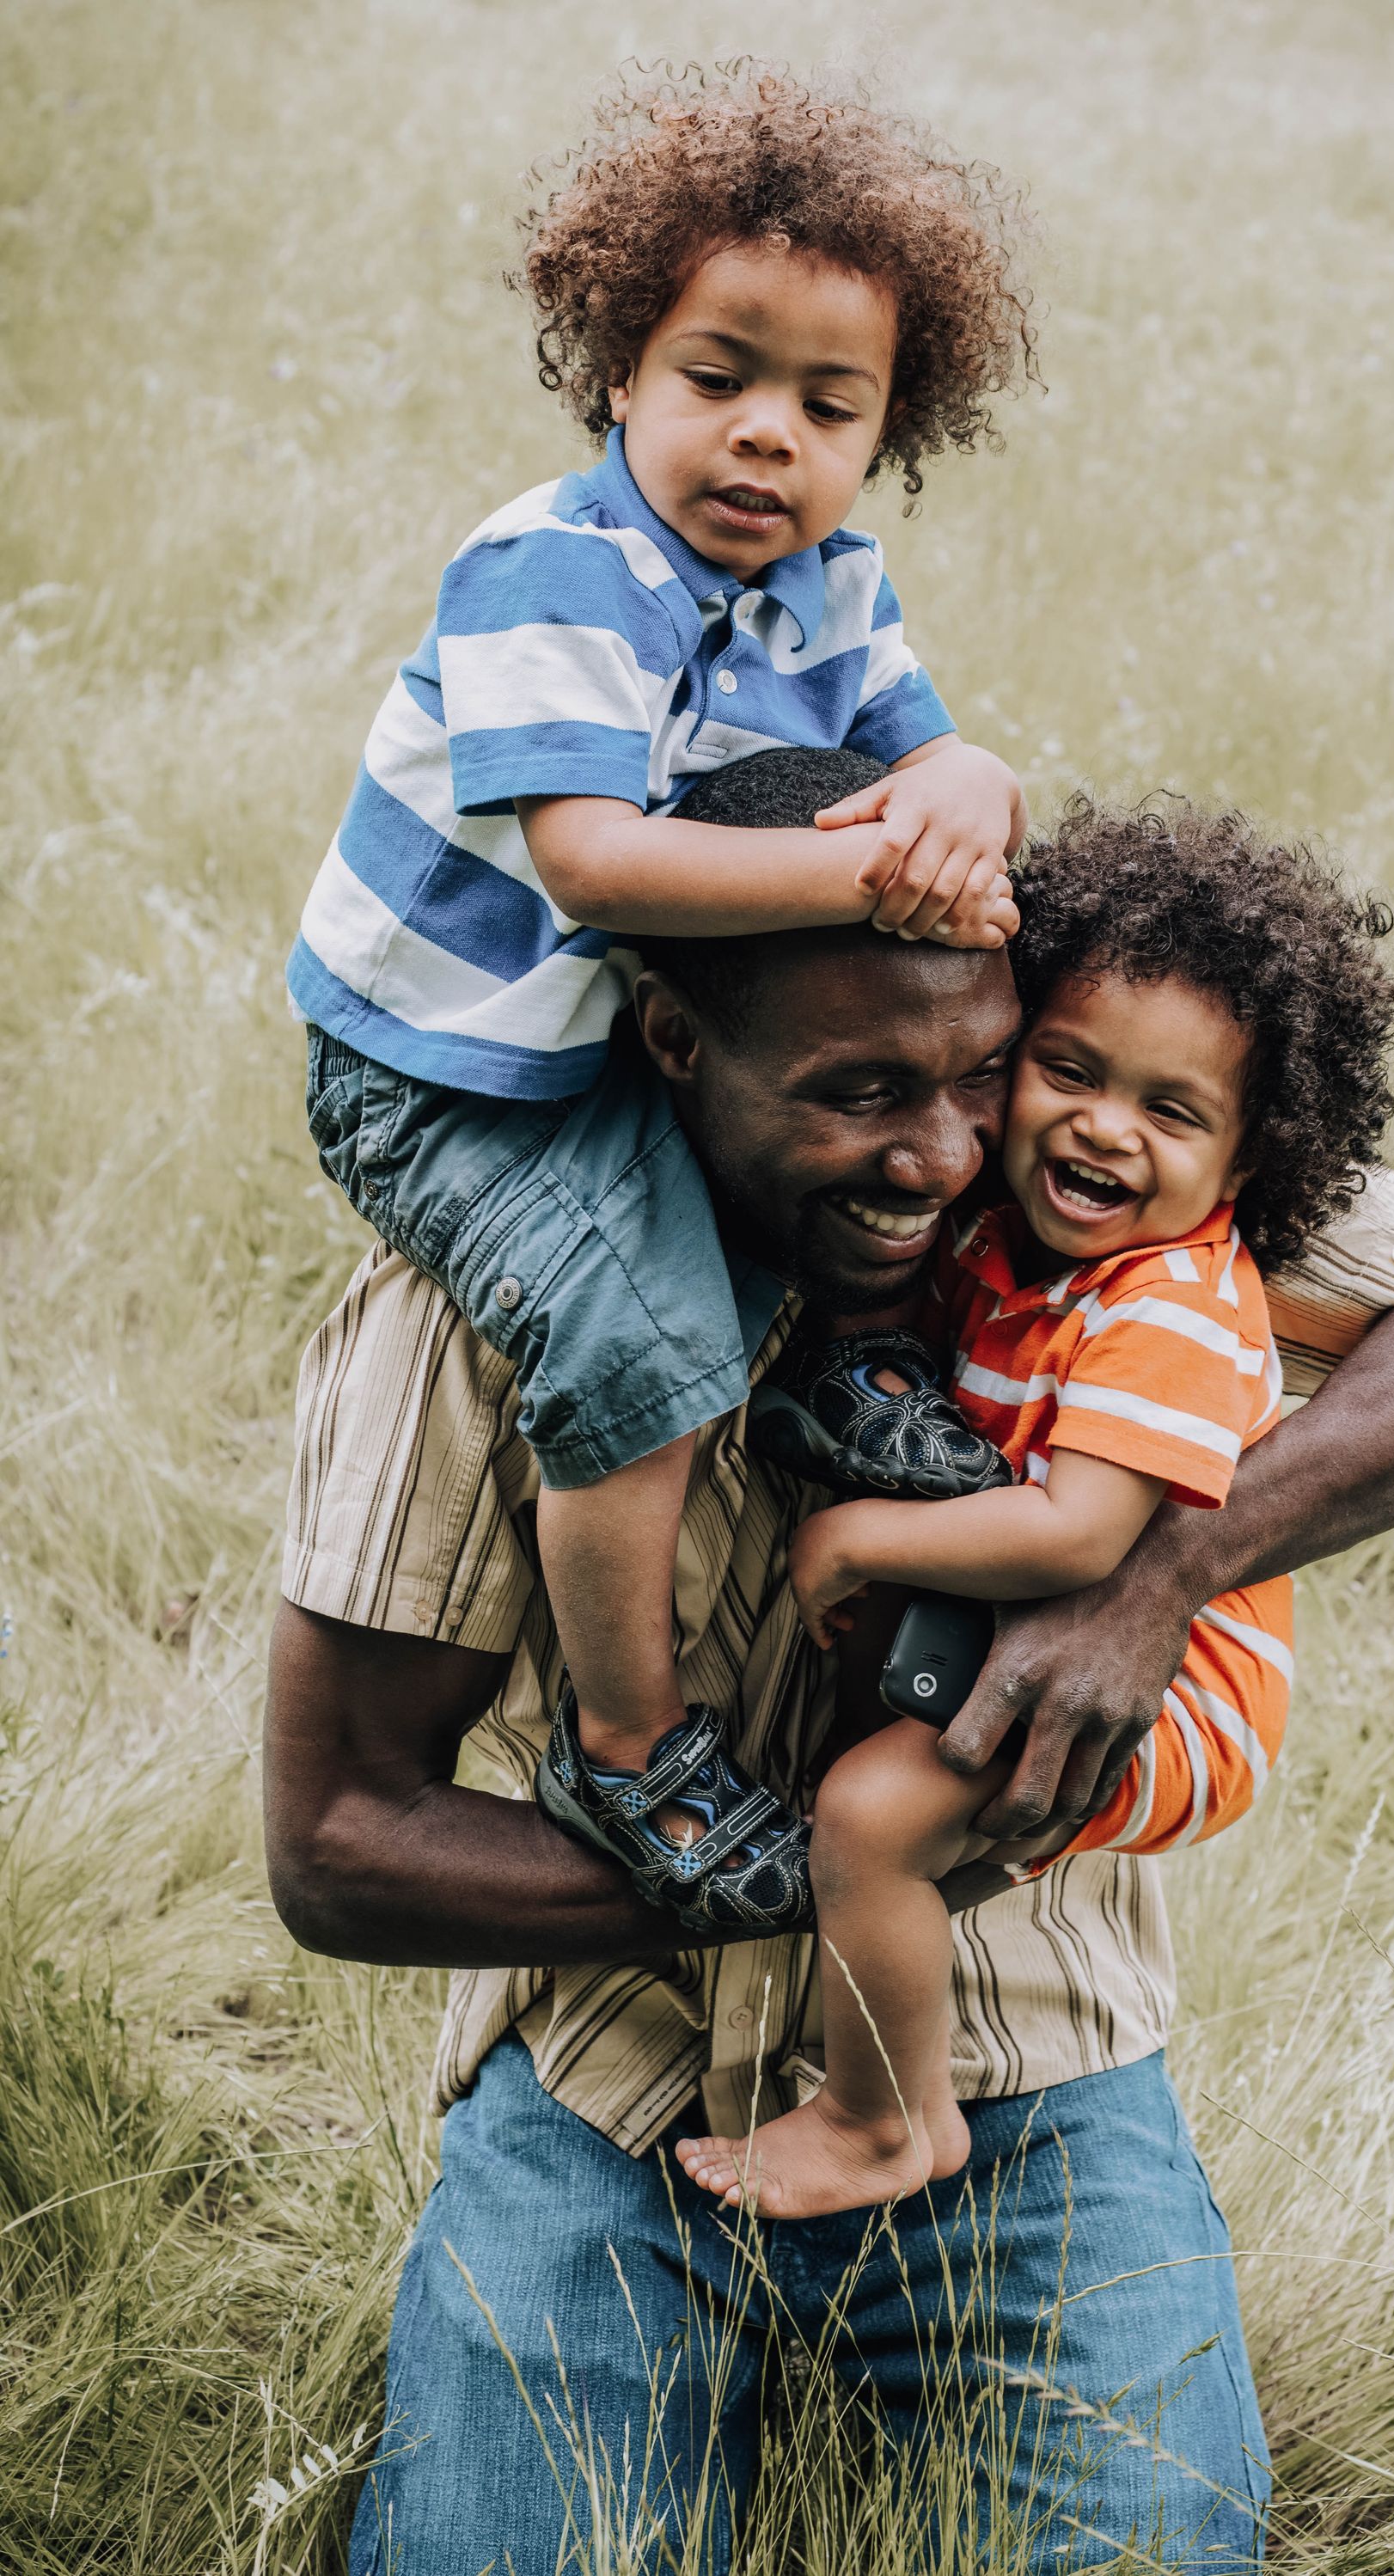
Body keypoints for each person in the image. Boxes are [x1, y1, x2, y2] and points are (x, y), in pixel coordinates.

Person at [264, 751, 1394, 2575]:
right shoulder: (483, 1302)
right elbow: (340, 1837)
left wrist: (1163, 1569)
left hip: (1036, 2068)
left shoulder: (1083, 1173)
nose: (936, 1149)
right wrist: (832, 1874)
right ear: (673, 1047)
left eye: (979, 1070)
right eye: (854, 1093)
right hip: (610, 2088)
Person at [284, 64, 1034, 1941]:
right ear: (618, 370)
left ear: (885, 433)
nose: (764, 437)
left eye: (826, 404)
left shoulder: (830, 580)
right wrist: (882, 862)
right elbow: (598, 862)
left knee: (843, 1134)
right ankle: (632, 1744)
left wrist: (974, 788)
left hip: (616, 1045)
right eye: (719, 376)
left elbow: (930, 759)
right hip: (448, 1069)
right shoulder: (557, 565)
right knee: (631, 1351)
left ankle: (832, 1376)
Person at [675, 798, 1394, 2218]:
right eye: (1068, 1069)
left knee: (874, 1812)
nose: (1103, 1126)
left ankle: (886, 2120)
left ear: (1247, 1163)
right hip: (1061, 1612)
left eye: (1171, 1110)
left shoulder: (1172, 1301)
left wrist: (856, 1534)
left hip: (1181, 1691)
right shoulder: (1024, 1247)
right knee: (880, 1779)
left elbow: (1079, 1535)